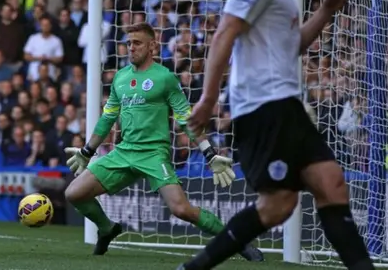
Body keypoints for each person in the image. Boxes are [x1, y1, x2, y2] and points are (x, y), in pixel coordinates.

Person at [181, 0, 374, 269]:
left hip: (285, 105)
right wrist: (208, 99)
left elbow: (293, 46)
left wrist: (326, 11)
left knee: (331, 183)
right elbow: (224, 32)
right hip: (265, 105)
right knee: (278, 206)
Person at [63, 23, 263, 261]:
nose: (131, 48)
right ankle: (107, 228)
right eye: (128, 43)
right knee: (74, 193)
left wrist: (208, 153)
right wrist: (87, 151)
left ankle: (237, 242)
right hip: (124, 152)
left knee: (181, 209)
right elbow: (108, 118)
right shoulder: (120, 77)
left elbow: (185, 118)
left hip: (153, 154)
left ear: (152, 47)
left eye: (137, 43)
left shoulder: (165, 78)